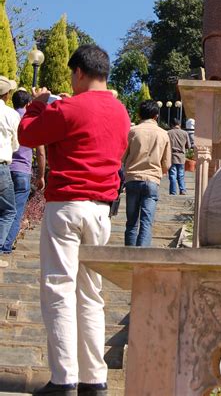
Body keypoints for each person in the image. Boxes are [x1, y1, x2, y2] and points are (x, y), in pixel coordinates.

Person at [18, 45, 130, 396]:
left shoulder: (68, 106)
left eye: (72, 74)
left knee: (58, 290)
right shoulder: (121, 112)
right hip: (101, 210)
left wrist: (39, 102)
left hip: (66, 205)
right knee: (91, 294)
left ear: (79, 72)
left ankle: (64, 378)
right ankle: (94, 379)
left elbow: (27, 133)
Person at [0, 89, 46, 255]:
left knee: (4, 210)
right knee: (15, 211)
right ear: (28, 104)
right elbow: (40, 152)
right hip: (22, 172)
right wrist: (41, 176)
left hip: (5, 167)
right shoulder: (31, 120)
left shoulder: (8, 115)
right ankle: (4, 247)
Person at [122, 100, 171, 246]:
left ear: (139, 114)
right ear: (156, 116)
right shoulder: (163, 134)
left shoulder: (132, 132)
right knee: (146, 222)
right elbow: (167, 164)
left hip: (132, 178)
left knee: (131, 222)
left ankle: (129, 256)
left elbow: (122, 157)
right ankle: (142, 256)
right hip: (152, 181)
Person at [0, 76, 20, 267]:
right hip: (1, 166)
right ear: (6, 95)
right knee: (8, 210)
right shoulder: (11, 114)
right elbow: (16, 144)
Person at [168, 118, 190, 196]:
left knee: (172, 175)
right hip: (181, 156)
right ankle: (182, 190)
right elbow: (189, 145)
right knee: (181, 174)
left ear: (172, 124)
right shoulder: (185, 133)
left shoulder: (169, 133)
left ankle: (173, 191)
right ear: (179, 124)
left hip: (172, 156)